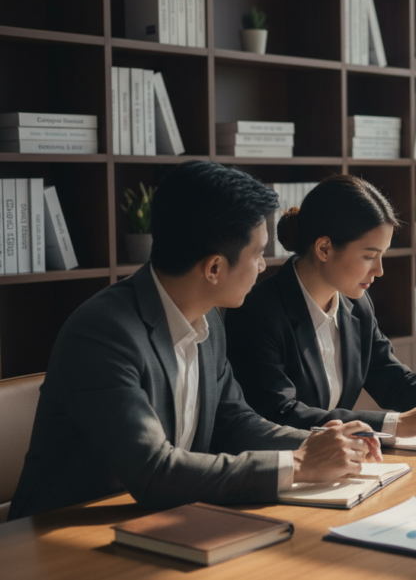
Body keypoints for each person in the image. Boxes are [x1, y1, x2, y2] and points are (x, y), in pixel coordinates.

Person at [10, 161, 381, 520]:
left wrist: (315, 442)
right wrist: (299, 463)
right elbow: (153, 470)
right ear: (214, 268)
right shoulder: (103, 333)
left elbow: (234, 422)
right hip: (63, 533)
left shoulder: (207, 320)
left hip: (159, 519)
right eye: (257, 254)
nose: (264, 266)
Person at [224, 175, 416, 442]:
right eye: (368, 256)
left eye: (383, 256)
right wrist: (392, 425)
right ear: (324, 248)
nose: (379, 270)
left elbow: (396, 387)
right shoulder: (257, 311)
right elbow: (279, 413)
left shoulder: (356, 306)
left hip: (336, 464)